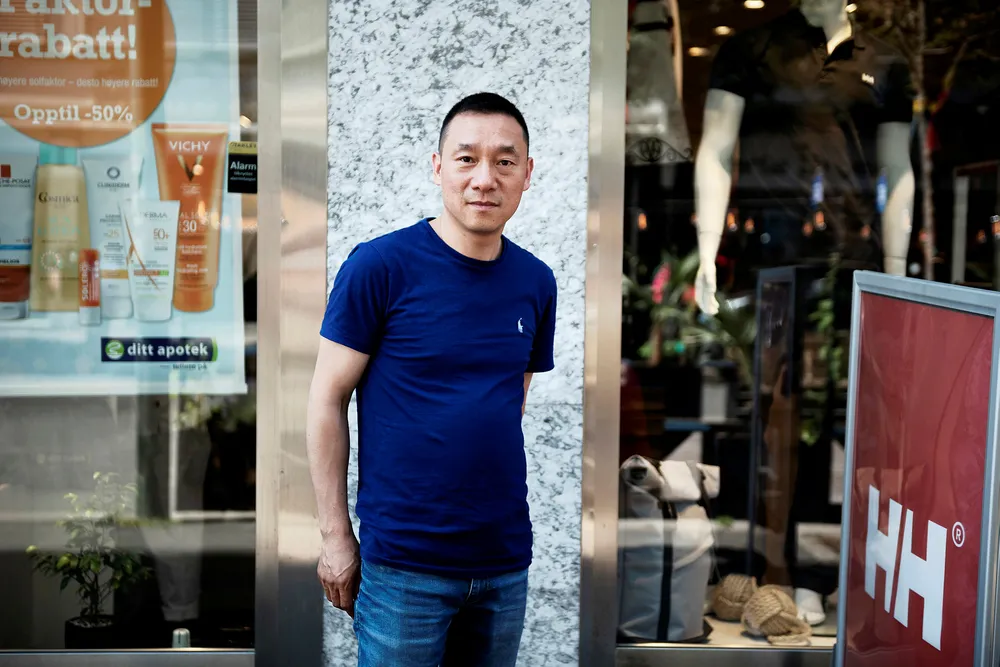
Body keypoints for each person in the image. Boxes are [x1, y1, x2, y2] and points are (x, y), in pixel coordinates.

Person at [305, 92, 558, 667]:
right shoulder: (379, 267)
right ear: (439, 166)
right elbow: (325, 399)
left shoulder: (536, 282)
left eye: (505, 161)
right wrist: (335, 536)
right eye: (467, 159)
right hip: (404, 568)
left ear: (527, 173)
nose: (485, 179)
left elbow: (509, 404)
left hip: (502, 564)